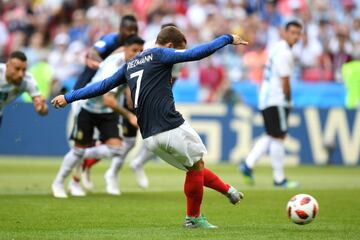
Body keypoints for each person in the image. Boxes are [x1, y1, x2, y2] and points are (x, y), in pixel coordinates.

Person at [52, 26, 248, 228]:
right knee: (196, 165)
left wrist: (69, 97)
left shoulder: (131, 64)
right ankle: (193, 218)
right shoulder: (161, 53)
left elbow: (102, 86)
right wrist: (227, 38)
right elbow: (196, 54)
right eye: (176, 51)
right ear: (171, 46)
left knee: (195, 167)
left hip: (149, 137)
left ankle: (228, 191)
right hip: (170, 124)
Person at [52, 35, 144, 198]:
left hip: (105, 112)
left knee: (117, 149)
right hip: (87, 106)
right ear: (125, 49)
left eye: (140, 51)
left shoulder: (128, 61)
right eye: (134, 50)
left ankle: (82, 157)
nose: (137, 54)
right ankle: (59, 182)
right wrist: (130, 116)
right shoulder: (114, 67)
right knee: (81, 148)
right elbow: (109, 100)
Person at [69, 15, 138, 189]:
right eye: (128, 30)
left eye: (134, 31)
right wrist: (104, 65)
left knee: (110, 141)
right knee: (84, 141)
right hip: (85, 91)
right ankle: (74, 181)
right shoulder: (110, 40)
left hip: (108, 94)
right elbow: (93, 52)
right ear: (121, 30)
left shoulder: (131, 49)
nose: (131, 34)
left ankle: (85, 167)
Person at [239, 20, 302, 188]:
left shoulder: (276, 48)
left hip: (266, 97)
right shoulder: (285, 53)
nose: (295, 36)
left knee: (271, 133)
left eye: (298, 33)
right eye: (292, 32)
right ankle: (279, 178)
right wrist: (288, 100)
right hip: (276, 97)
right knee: (279, 136)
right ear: (285, 33)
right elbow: (285, 80)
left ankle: (248, 164)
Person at [0, 51, 48, 127]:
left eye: (24, 70)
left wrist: (42, 108)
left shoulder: (28, 81)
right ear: (7, 65)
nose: (21, 74)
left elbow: (42, 108)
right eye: (17, 69)